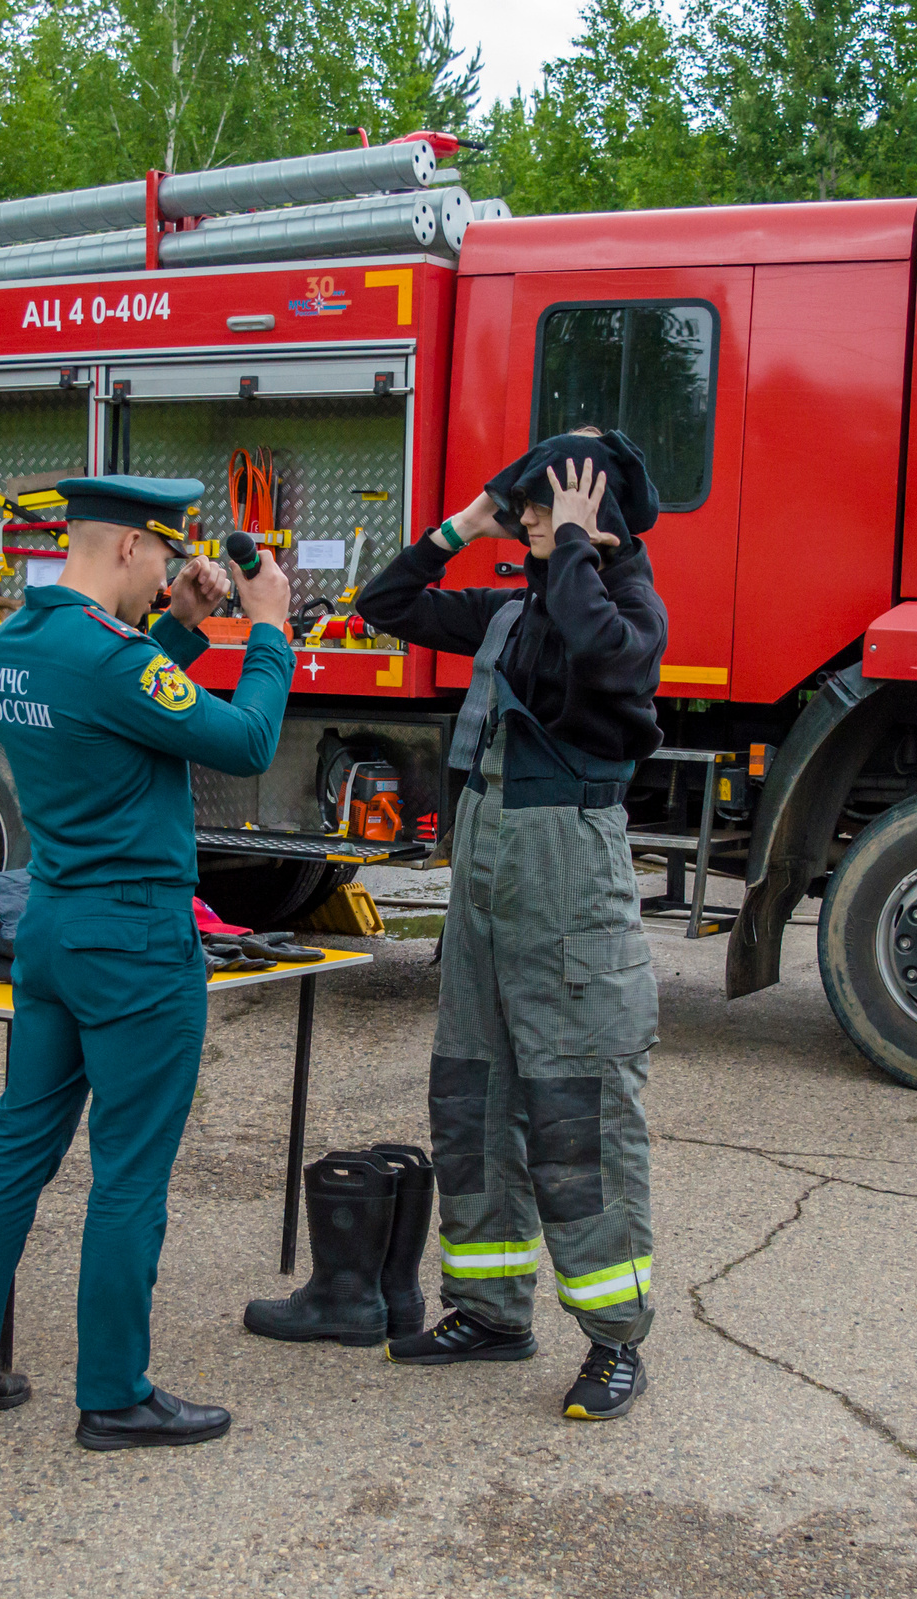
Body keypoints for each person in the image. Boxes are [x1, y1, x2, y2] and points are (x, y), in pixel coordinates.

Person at [0, 475, 295, 1451]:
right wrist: (267, 629)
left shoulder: (16, 643)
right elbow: (247, 740)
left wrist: (174, 625)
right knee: (129, 1168)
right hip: (133, 942)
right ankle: (114, 1393)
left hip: (52, 926)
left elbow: (116, 711)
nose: (172, 575)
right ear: (129, 548)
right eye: (165, 561)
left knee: (16, 1150)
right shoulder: (108, 659)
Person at [355, 429, 668, 1422]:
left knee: (580, 1112)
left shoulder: (626, 611)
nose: (525, 518)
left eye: (538, 502)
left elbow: (598, 652)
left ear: (592, 512)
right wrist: (467, 522)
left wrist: (573, 539)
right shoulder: (511, 612)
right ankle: (490, 1310)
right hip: (486, 883)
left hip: (567, 878)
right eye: (525, 507)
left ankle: (616, 1340)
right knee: (474, 1098)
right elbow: (385, 605)